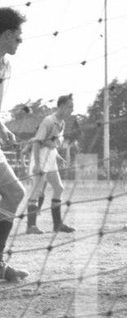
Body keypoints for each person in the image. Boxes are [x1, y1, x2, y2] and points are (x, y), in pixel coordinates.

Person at [0, 7, 30, 283]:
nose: (20, 42)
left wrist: (3, 128)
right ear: (7, 34)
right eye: (18, 37)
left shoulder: (6, 66)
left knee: (14, 193)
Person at [23, 94, 75, 235]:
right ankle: (31, 226)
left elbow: (52, 143)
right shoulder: (49, 121)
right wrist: (37, 165)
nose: (72, 110)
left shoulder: (62, 123)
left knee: (59, 188)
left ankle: (57, 225)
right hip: (41, 156)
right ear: (62, 106)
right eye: (70, 107)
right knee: (36, 191)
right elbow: (37, 142)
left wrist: (57, 156)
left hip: (51, 156)